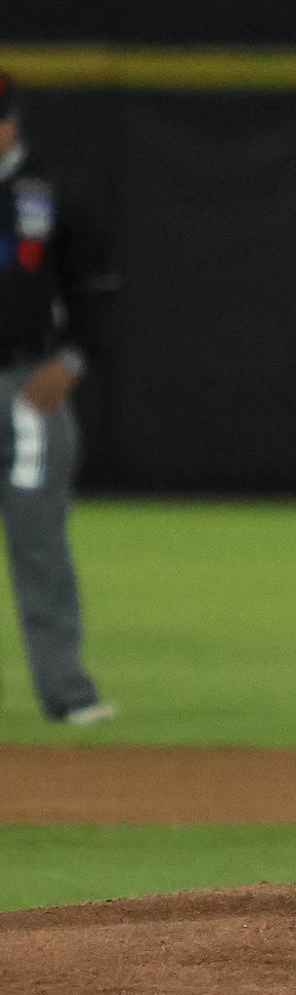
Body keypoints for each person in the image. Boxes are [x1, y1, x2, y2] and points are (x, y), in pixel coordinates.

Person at [0, 72, 119, 726]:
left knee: (39, 544)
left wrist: (69, 360)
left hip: (26, 389)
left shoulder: (50, 194)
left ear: (12, 122)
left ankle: (66, 691)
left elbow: (96, 287)